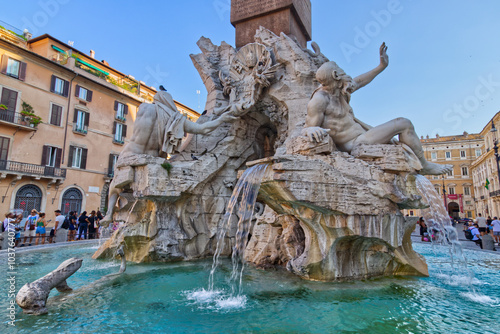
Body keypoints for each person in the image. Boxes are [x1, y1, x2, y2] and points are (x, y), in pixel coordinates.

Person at [302, 43, 452, 176]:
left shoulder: (340, 89)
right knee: (404, 123)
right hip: (355, 144)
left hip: (364, 135)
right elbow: (307, 127)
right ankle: (424, 165)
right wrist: (310, 130)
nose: (343, 71)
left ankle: (421, 163)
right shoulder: (320, 99)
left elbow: (359, 81)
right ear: (335, 75)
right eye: (339, 69)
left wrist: (381, 66)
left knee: (402, 128)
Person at [101, 91, 239, 226]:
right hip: (152, 158)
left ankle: (109, 214)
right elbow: (203, 128)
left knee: (115, 186)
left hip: (131, 154)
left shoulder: (144, 108)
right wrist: (222, 119)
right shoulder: (175, 119)